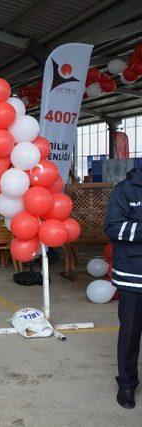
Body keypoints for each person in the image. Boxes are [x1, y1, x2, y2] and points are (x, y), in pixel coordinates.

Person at [104, 167, 142, 408]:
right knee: (130, 334)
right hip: (133, 275)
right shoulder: (125, 190)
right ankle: (127, 384)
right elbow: (113, 227)